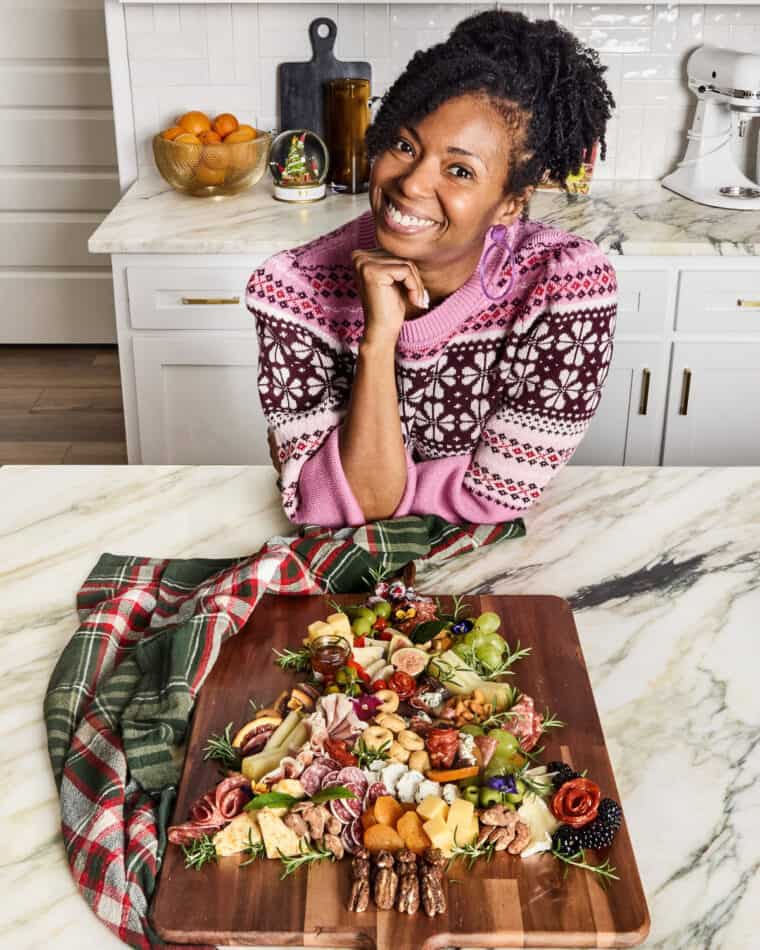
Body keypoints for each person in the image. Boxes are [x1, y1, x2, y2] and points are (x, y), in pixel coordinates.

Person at [246, 10, 617, 527]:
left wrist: (356, 486)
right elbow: (324, 515)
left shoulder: (565, 283)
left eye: (460, 170)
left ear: (511, 202)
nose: (413, 184)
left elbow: (497, 500)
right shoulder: (295, 289)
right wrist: (379, 342)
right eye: (404, 145)